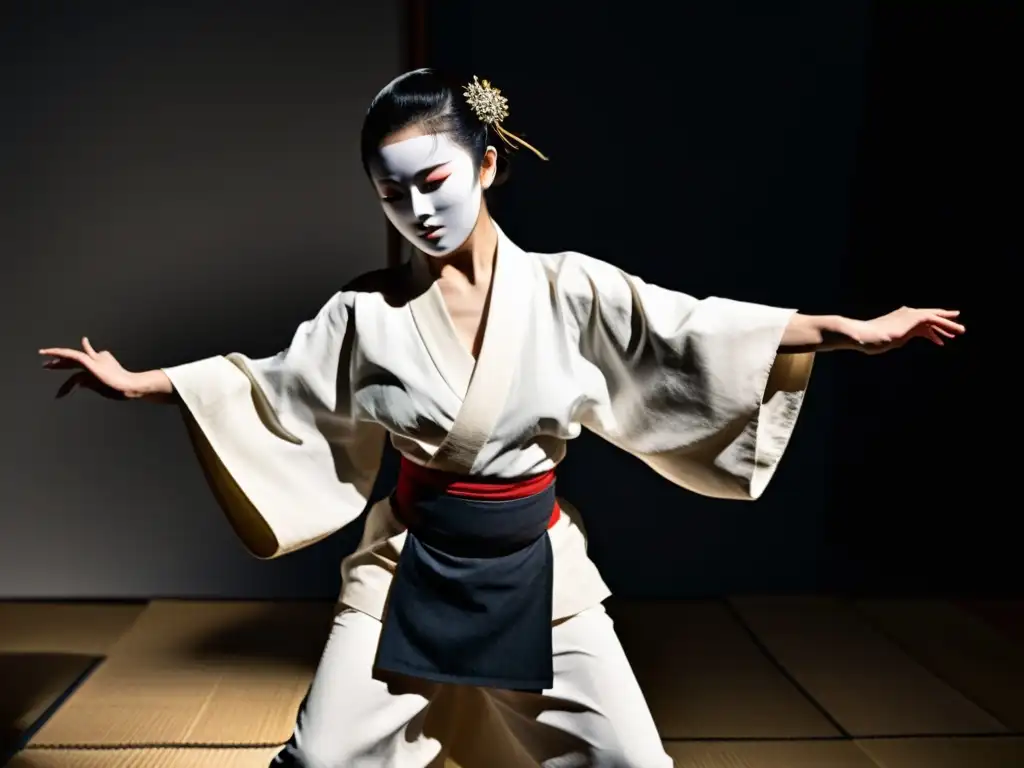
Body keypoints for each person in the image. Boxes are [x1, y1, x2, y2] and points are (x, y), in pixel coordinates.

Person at [39, 68, 964, 768]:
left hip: (536, 561)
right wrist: (140, 383)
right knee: (325, 757)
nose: (417, 209)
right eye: (390, 194)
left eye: (434, 180)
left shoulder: (568, 289)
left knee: (630, 761)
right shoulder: (364, 314)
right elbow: (266, 382)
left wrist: (849, 331)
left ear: (487, 163)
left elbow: (693, 330)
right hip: (407, 561)